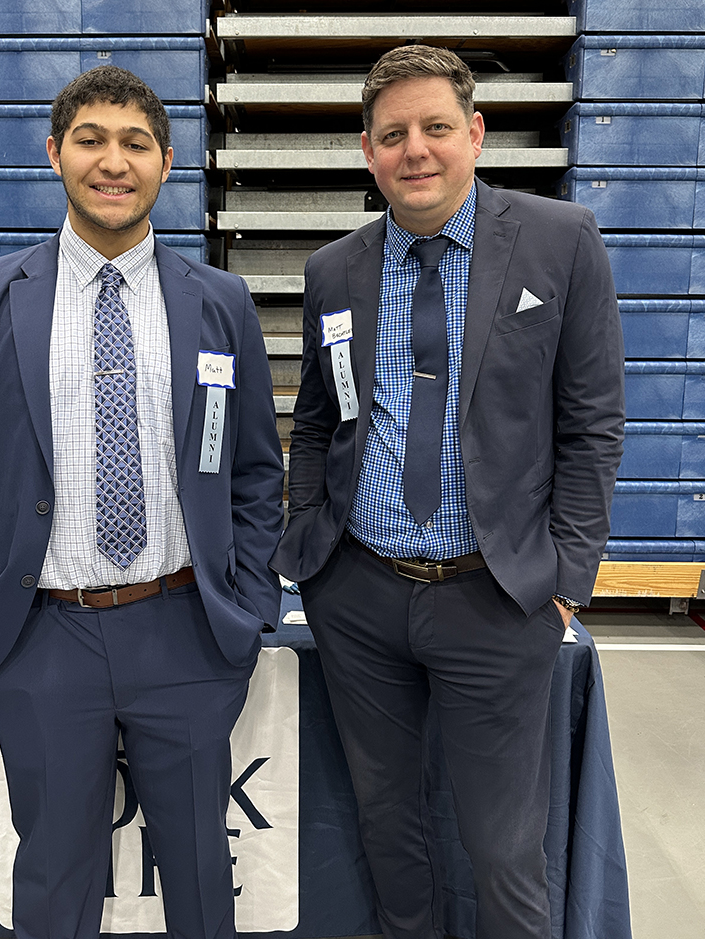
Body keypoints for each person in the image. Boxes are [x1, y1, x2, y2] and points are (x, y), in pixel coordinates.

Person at [0, 65, 284, 939]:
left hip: (185, 627)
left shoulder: (220, 302)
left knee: (201, 870)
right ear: (55, 153)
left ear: (166, 164)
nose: (113, 162)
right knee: (54, 878)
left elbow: (255, 471)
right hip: (42, 635)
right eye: (91, 140)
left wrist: (248, 604)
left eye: (135, 144)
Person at [271, 45, 624, 939]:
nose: (415, 150)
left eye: (435, 127)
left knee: (504, 849)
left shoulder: (560, 240)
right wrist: (309, 542)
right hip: (358, 593)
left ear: (475, 133)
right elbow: (317, 419)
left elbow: (592, 423)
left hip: (496, 595)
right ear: (367, 151)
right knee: (388, 827)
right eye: (393, 134)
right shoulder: (334, 270)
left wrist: (565, 577)